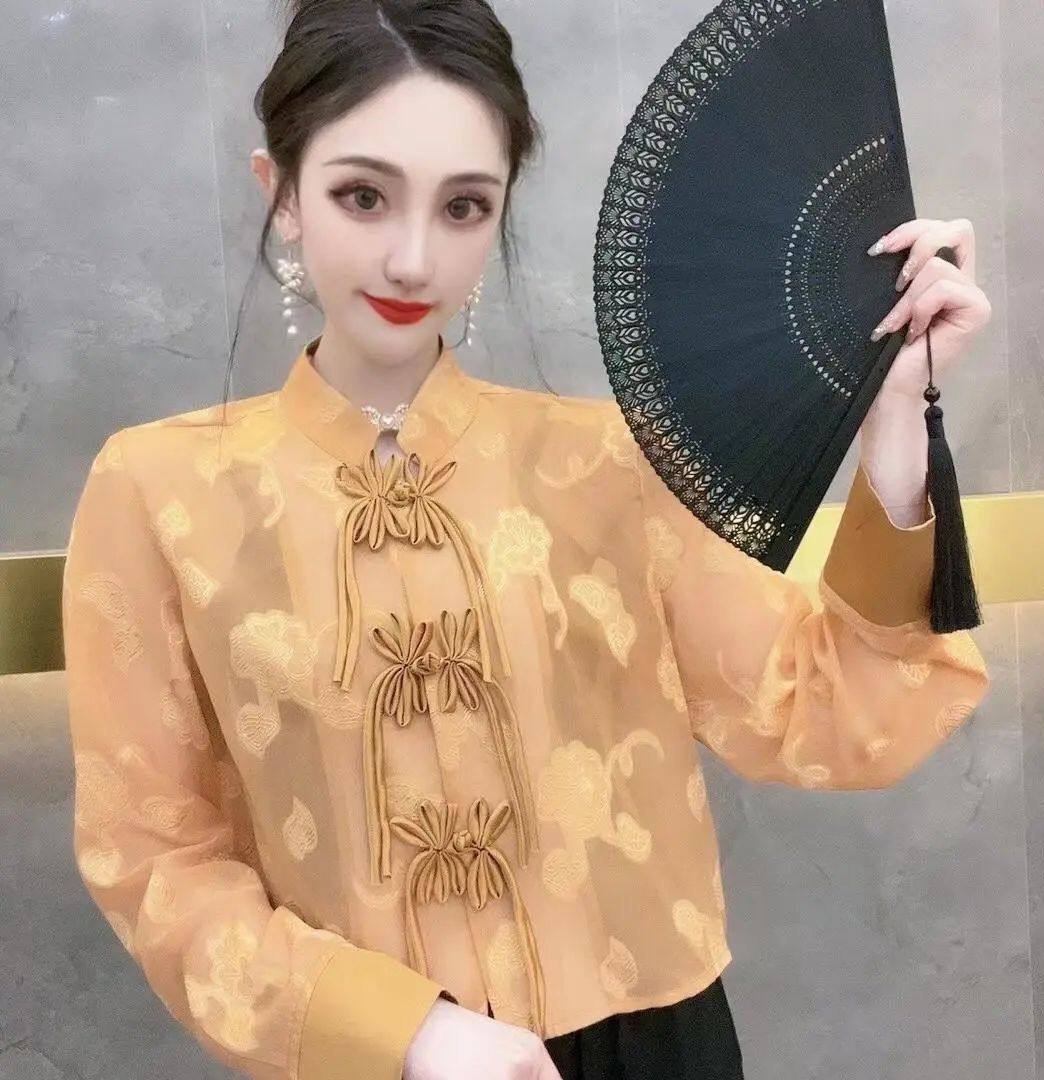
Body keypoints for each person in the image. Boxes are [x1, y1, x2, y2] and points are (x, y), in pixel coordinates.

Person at [61, 2, 994, 1079]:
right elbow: (153, 859)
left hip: (655, 1051)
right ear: (282, 198)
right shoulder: (161, 494)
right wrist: (402, 1030)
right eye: (362, 196)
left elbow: (831, 715)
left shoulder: (611, 467)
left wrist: (895, 429)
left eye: (464, 206)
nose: (413, 258)